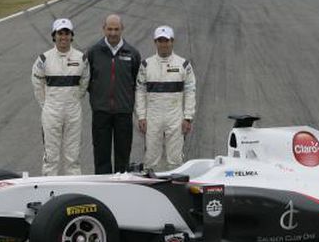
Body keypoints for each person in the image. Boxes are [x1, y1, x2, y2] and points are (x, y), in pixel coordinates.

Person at [31, 18, 89, 176]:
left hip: (73, 111)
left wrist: (75, 98)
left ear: (71, 36)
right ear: (54, 36)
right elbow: (37, 82)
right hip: (51, 111)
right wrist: (46, 104)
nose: (63, 37)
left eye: (67, 33)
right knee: (51, 157)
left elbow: (84, 82)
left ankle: (73, 190)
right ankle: (49, 192)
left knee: (73, 157)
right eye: (60, 33)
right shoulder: (43, 59)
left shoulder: (82, 58)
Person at [135, 25, 196, 171]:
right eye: (160, 41)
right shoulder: (146, 65)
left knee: (175, 160)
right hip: (152, 117)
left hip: (175, 116)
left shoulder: (183, 65)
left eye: (166, 40)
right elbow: (140, 91)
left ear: (172, 41)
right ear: (155, 42)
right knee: (151, 159)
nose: (163, 44)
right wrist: (141, 116)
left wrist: (188, 117)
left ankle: (176, 190)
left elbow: (190, 91)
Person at [86, 14, 142, 174]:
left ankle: (122, 184)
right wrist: (98, 97)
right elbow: (87, 80)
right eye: (109, 29)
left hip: (123, 112)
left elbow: (137, 82)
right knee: (101, 154)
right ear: (103, 29)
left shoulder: (132, 53)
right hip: (101, 111)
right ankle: (103, 187)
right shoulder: (93, 52)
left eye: (116, 29)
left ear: (122, 29)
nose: (113, 33)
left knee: (123, 154)